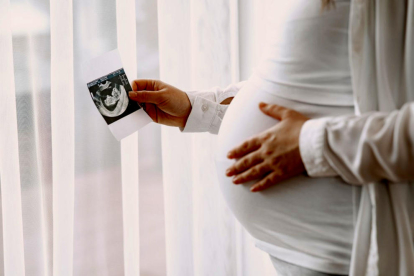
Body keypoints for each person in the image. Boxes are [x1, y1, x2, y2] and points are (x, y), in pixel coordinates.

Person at [129, 0, 414, 275]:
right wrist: (198, 109)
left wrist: (313, 144)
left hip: (342, 252)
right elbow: (309, 86)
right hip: (303, 253)